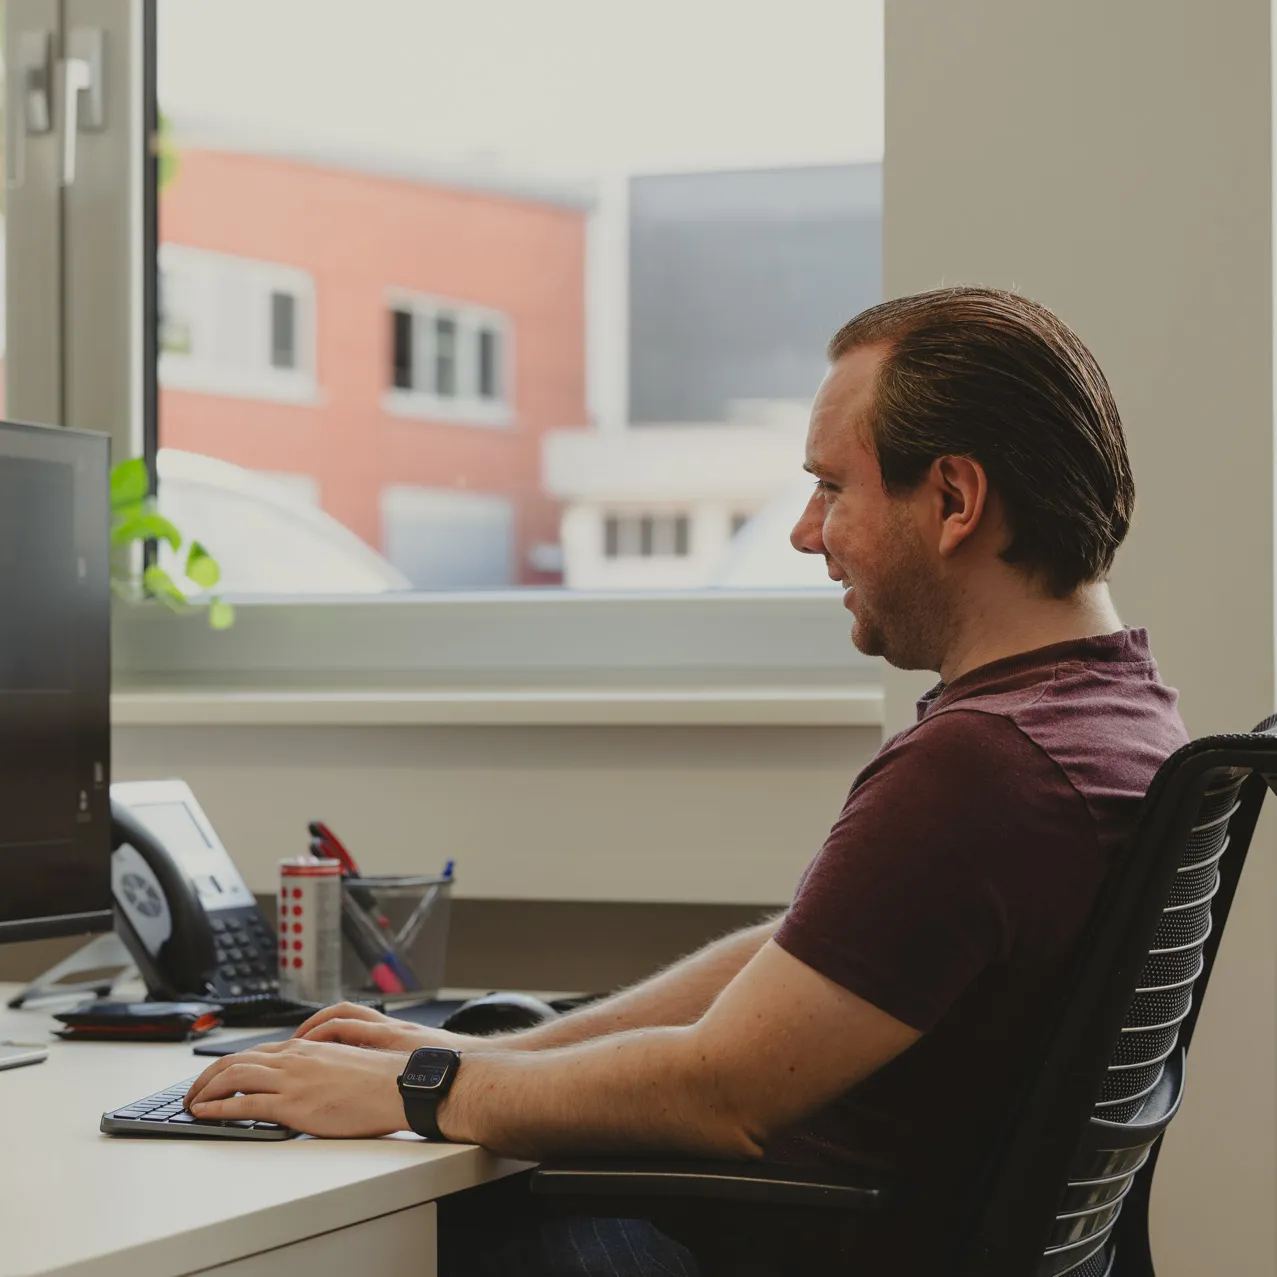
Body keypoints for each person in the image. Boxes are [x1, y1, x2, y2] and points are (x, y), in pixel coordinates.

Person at [185, 286, 1189, 1275]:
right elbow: (803, 958)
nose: (806, 530)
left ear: (954, 499)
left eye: (833, 487)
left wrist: (418, 1086)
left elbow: (719, 1092)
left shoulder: (983, 766)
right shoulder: (1116, 716)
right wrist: (508, 1054)